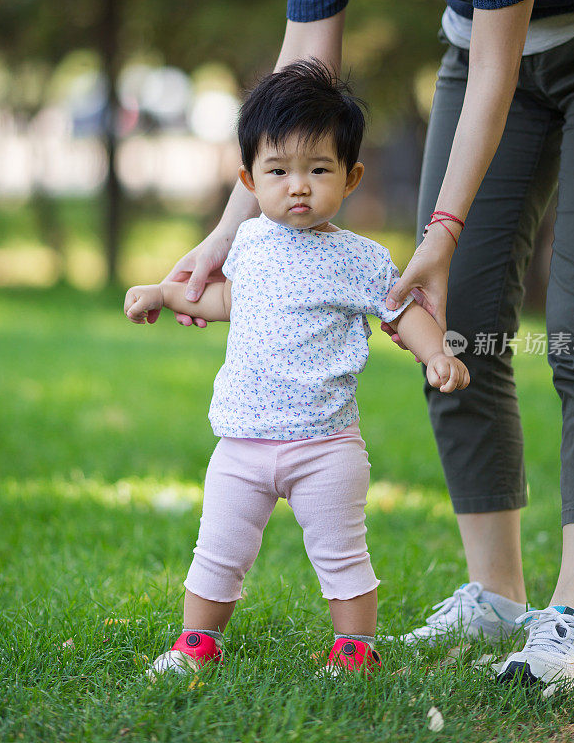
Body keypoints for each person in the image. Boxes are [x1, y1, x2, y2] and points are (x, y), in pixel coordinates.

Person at [158, 0, 574, 694]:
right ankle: (498, 597)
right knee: (459, 321)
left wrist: (440, 232)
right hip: (474, 39)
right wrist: (225, 235)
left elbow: (497, 70)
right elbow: (306, 59)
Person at [124, 60, 470, 677]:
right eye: (279, 171)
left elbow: (403, 310)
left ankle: (353, 650)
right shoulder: (249, 242)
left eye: (319, 170)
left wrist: (436, 351)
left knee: (342, 554)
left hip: (326, 444)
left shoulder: (360, 259)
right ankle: (196, 644)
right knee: (218, 551)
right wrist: (163, 292)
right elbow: (227, 301)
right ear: (250, 178)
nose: (299, 186)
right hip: (242, 443)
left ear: (351, 176)